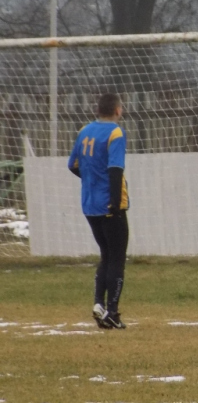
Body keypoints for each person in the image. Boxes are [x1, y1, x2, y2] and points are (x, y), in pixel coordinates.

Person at [68, 93, 129, 330]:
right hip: (110, 205)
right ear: (117, 110)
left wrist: (92, 180)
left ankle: (98, 304)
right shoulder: (115, 132)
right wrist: (114, 203)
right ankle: (112, 312)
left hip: (90, 203)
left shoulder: (85, 131)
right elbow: (115, 169)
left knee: (106, 253)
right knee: (117, 257)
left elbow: (73, 164)